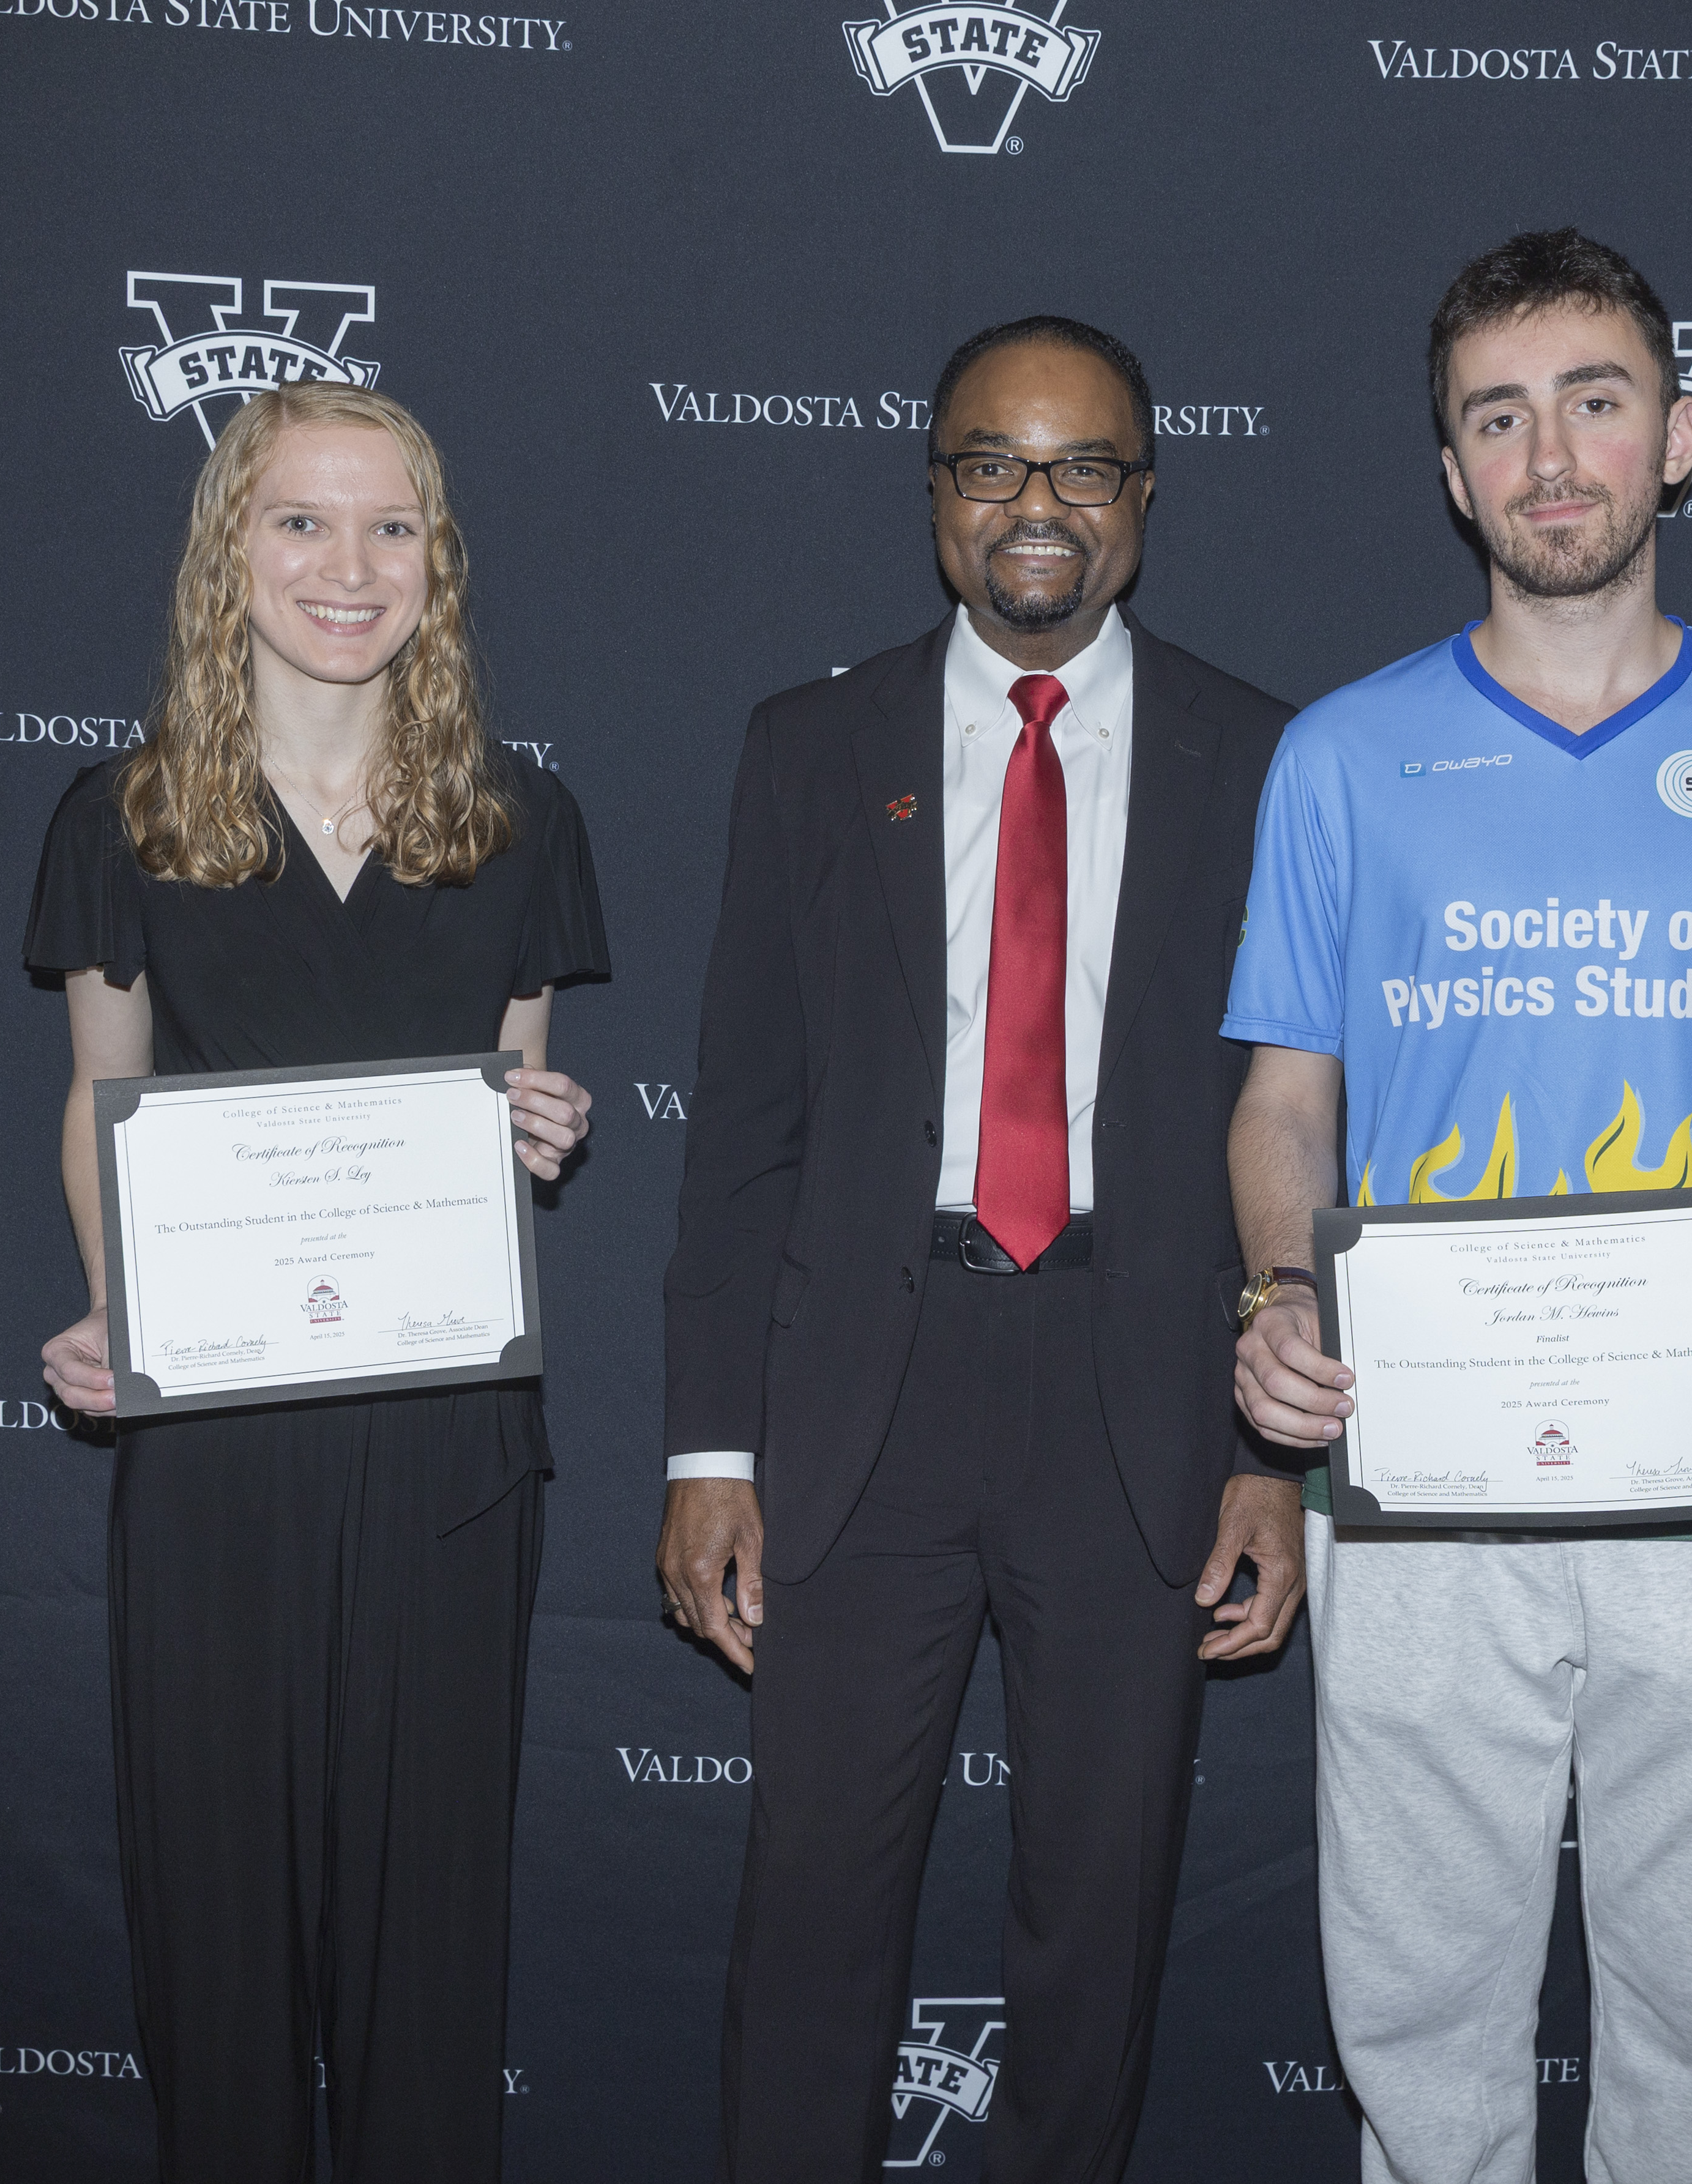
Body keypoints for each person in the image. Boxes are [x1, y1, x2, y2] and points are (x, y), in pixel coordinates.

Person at [1224, 229, 1692, 2184]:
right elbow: (1284, 1091)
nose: (1549, 457)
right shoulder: (1341, 753)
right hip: (1420, 1468)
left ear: (1678, 436)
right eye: (1495, 418)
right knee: (1418, 1999)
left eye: (1594, 403)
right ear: (1450, 472)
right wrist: (1279, 1291)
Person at [655, 314, 1300, 2183]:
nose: (1037, 505)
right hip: (866, 1393)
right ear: (934, 490)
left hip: (1146, 1399)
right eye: (992, 464)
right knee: (808, 1922)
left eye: (1083, 466)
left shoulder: (1258, 754)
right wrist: (711, 1448)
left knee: (1094, 1931)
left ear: (1145, 500)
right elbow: (743, 1131)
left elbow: (1300, 1122)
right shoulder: (808, 746)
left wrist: (1275, 1455)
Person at [26, 382, 605, 2182]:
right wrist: (127, 1313)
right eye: (300, 522)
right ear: (230, 553)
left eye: (390, 527)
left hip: (448, 1447)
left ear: (437, 561)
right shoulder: (120, 816)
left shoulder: (519, 821)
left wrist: (537, 1123)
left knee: (430, 1939)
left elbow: (509, 1103)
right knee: (217, 1929)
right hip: (218, 1450)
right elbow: (102, 1102)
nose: (346, 567)